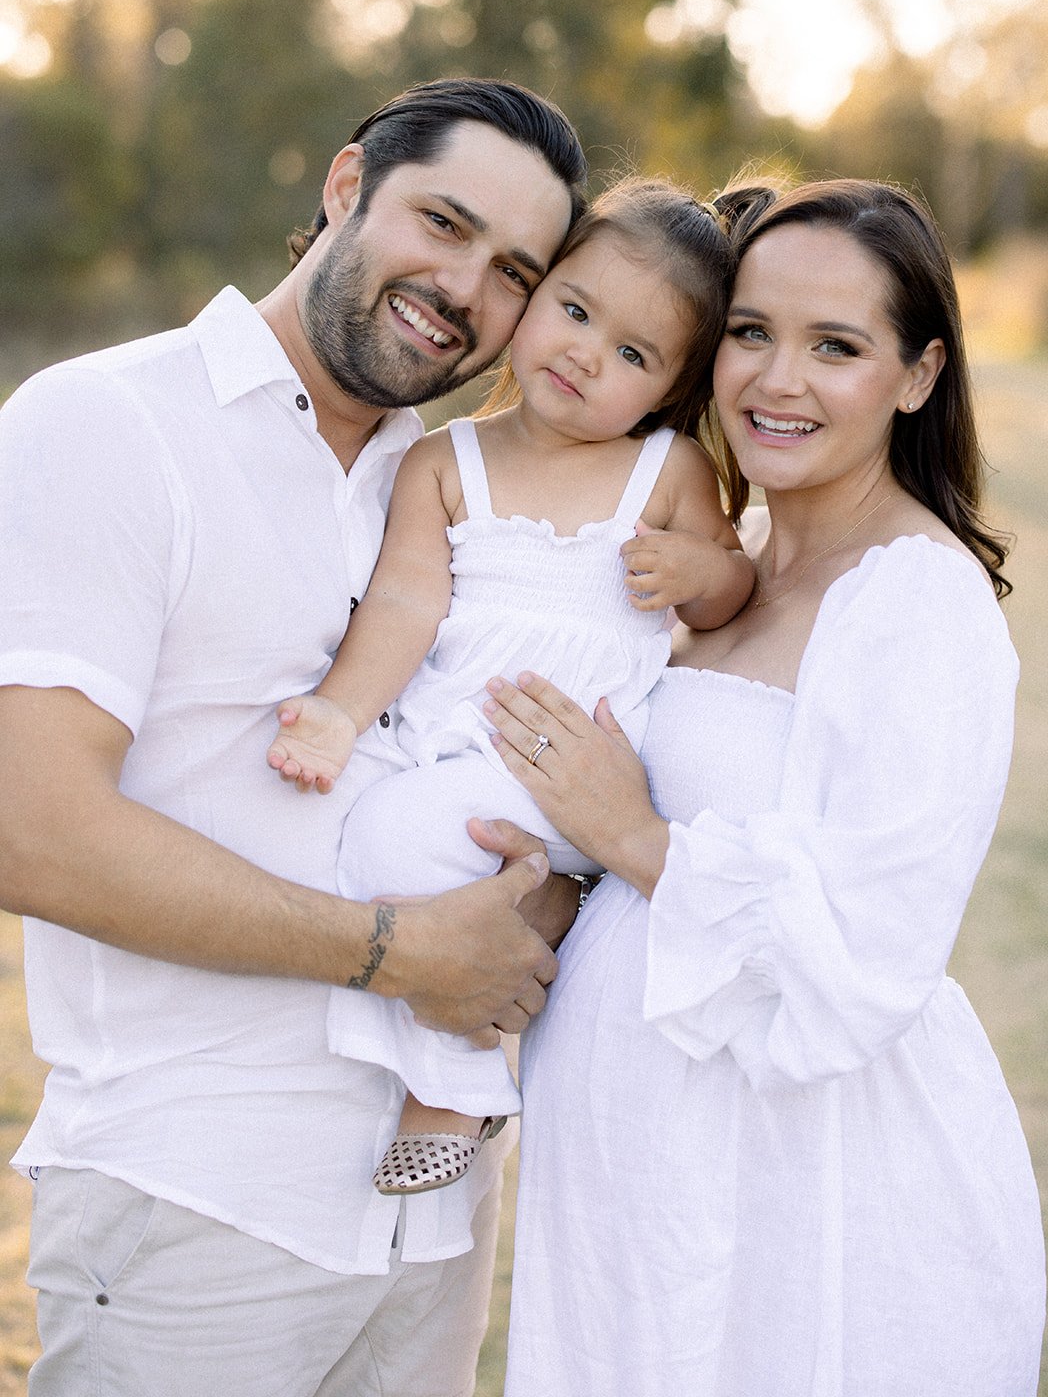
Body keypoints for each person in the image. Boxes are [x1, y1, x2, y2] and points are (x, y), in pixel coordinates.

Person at [0, 78, 591, 1397]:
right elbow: (28, 830)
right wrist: (399, 955)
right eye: (441, 221)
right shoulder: (107, 424)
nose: (461, 287)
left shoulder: (455, 489)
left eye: (513, 272)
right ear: (344, 188)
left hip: (432, 1220)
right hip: (194, 1205)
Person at [483, 179, 1046, 1395]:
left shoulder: (914, 602)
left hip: (817, 1207)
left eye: (834, 346)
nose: (775, 381)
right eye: (750, 332)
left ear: (916, 374)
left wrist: (631, 836)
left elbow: (870, 951)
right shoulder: (716, 569)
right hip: (645, 1200)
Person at [265, 178, 754, 1197]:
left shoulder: (661, 469)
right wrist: (339, 711)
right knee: (359, 826)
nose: (584, 354)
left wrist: (698, 573)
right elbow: (401, 605)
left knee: (390, 839)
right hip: (459, 741)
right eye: (574, 311)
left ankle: (456, 1085)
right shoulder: (445, 460)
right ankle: (543, 917)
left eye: (632, 353)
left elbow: (728, 584)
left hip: (580, 757)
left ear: (670, 386)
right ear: (534, 295)